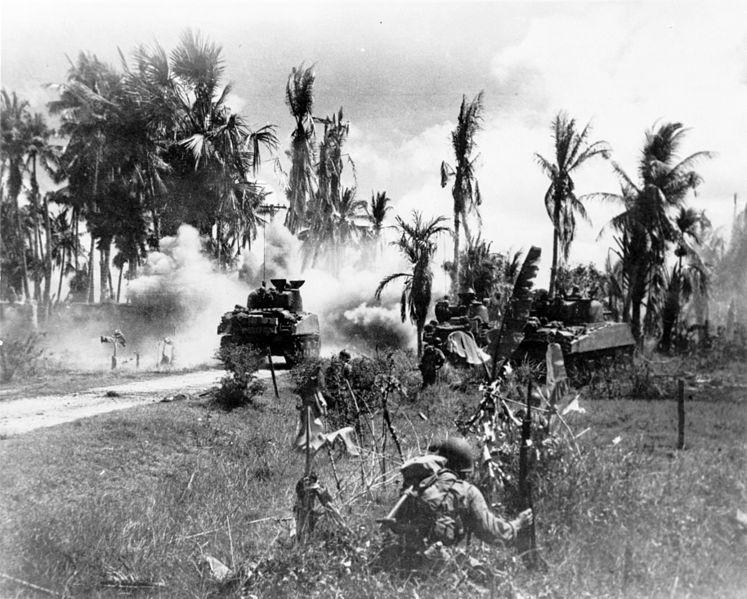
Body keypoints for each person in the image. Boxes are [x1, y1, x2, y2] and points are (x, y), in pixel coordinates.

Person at [382, 437, 533, 551]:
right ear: (464, 469)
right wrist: (518, 524)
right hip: (440, 566)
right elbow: (492, 534)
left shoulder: (419, 485)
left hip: (405, 559)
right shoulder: (468, 492)